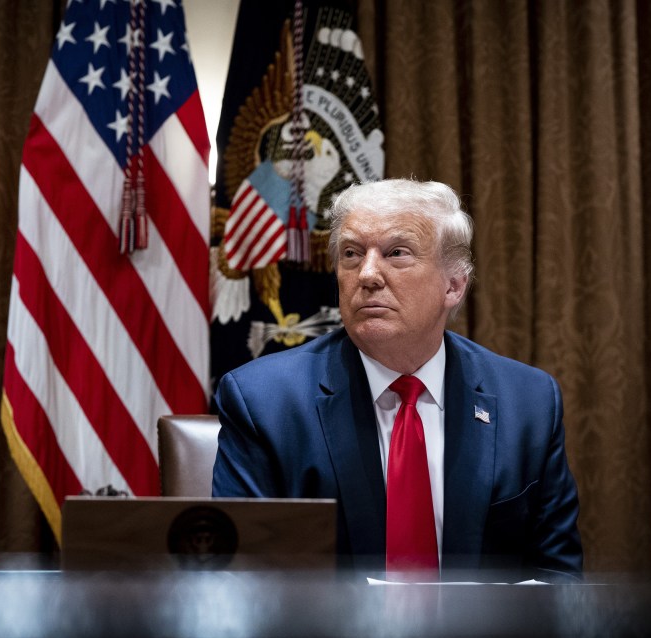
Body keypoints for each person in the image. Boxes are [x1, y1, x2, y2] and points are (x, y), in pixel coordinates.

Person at [211, 178, 584, 582]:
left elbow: (557, 577)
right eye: (352, 254)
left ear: (454, 285)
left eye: (397, 253)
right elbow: (240, 581)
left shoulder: (528, 402)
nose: (368, 274)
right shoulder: (263, 403)